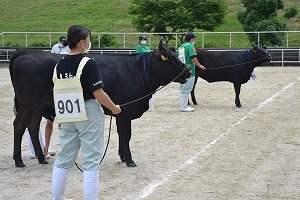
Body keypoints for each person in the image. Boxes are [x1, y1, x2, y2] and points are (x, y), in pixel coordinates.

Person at [51, 25, 121, 200]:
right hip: (88, 111)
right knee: (91, 160)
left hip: (67, 113)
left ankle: (57, 197)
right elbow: (98, 92)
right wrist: (114, 108)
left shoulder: (59, 64)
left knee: (64, 157)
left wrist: (61, 117)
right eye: (89, 40)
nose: (90, 43)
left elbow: (58, 92)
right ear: (82, 42)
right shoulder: (88, 63)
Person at [178, 33, 206, 112]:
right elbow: (193, 57)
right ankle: (184, 106)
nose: (194, 40)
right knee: (187, 88)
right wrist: (200, 65)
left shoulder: (181, 46)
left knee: (182, 87)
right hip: (189, 70)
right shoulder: (190, 46)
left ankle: (183, 105)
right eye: (194, 39)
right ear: (191, 39)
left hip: (182, 70)